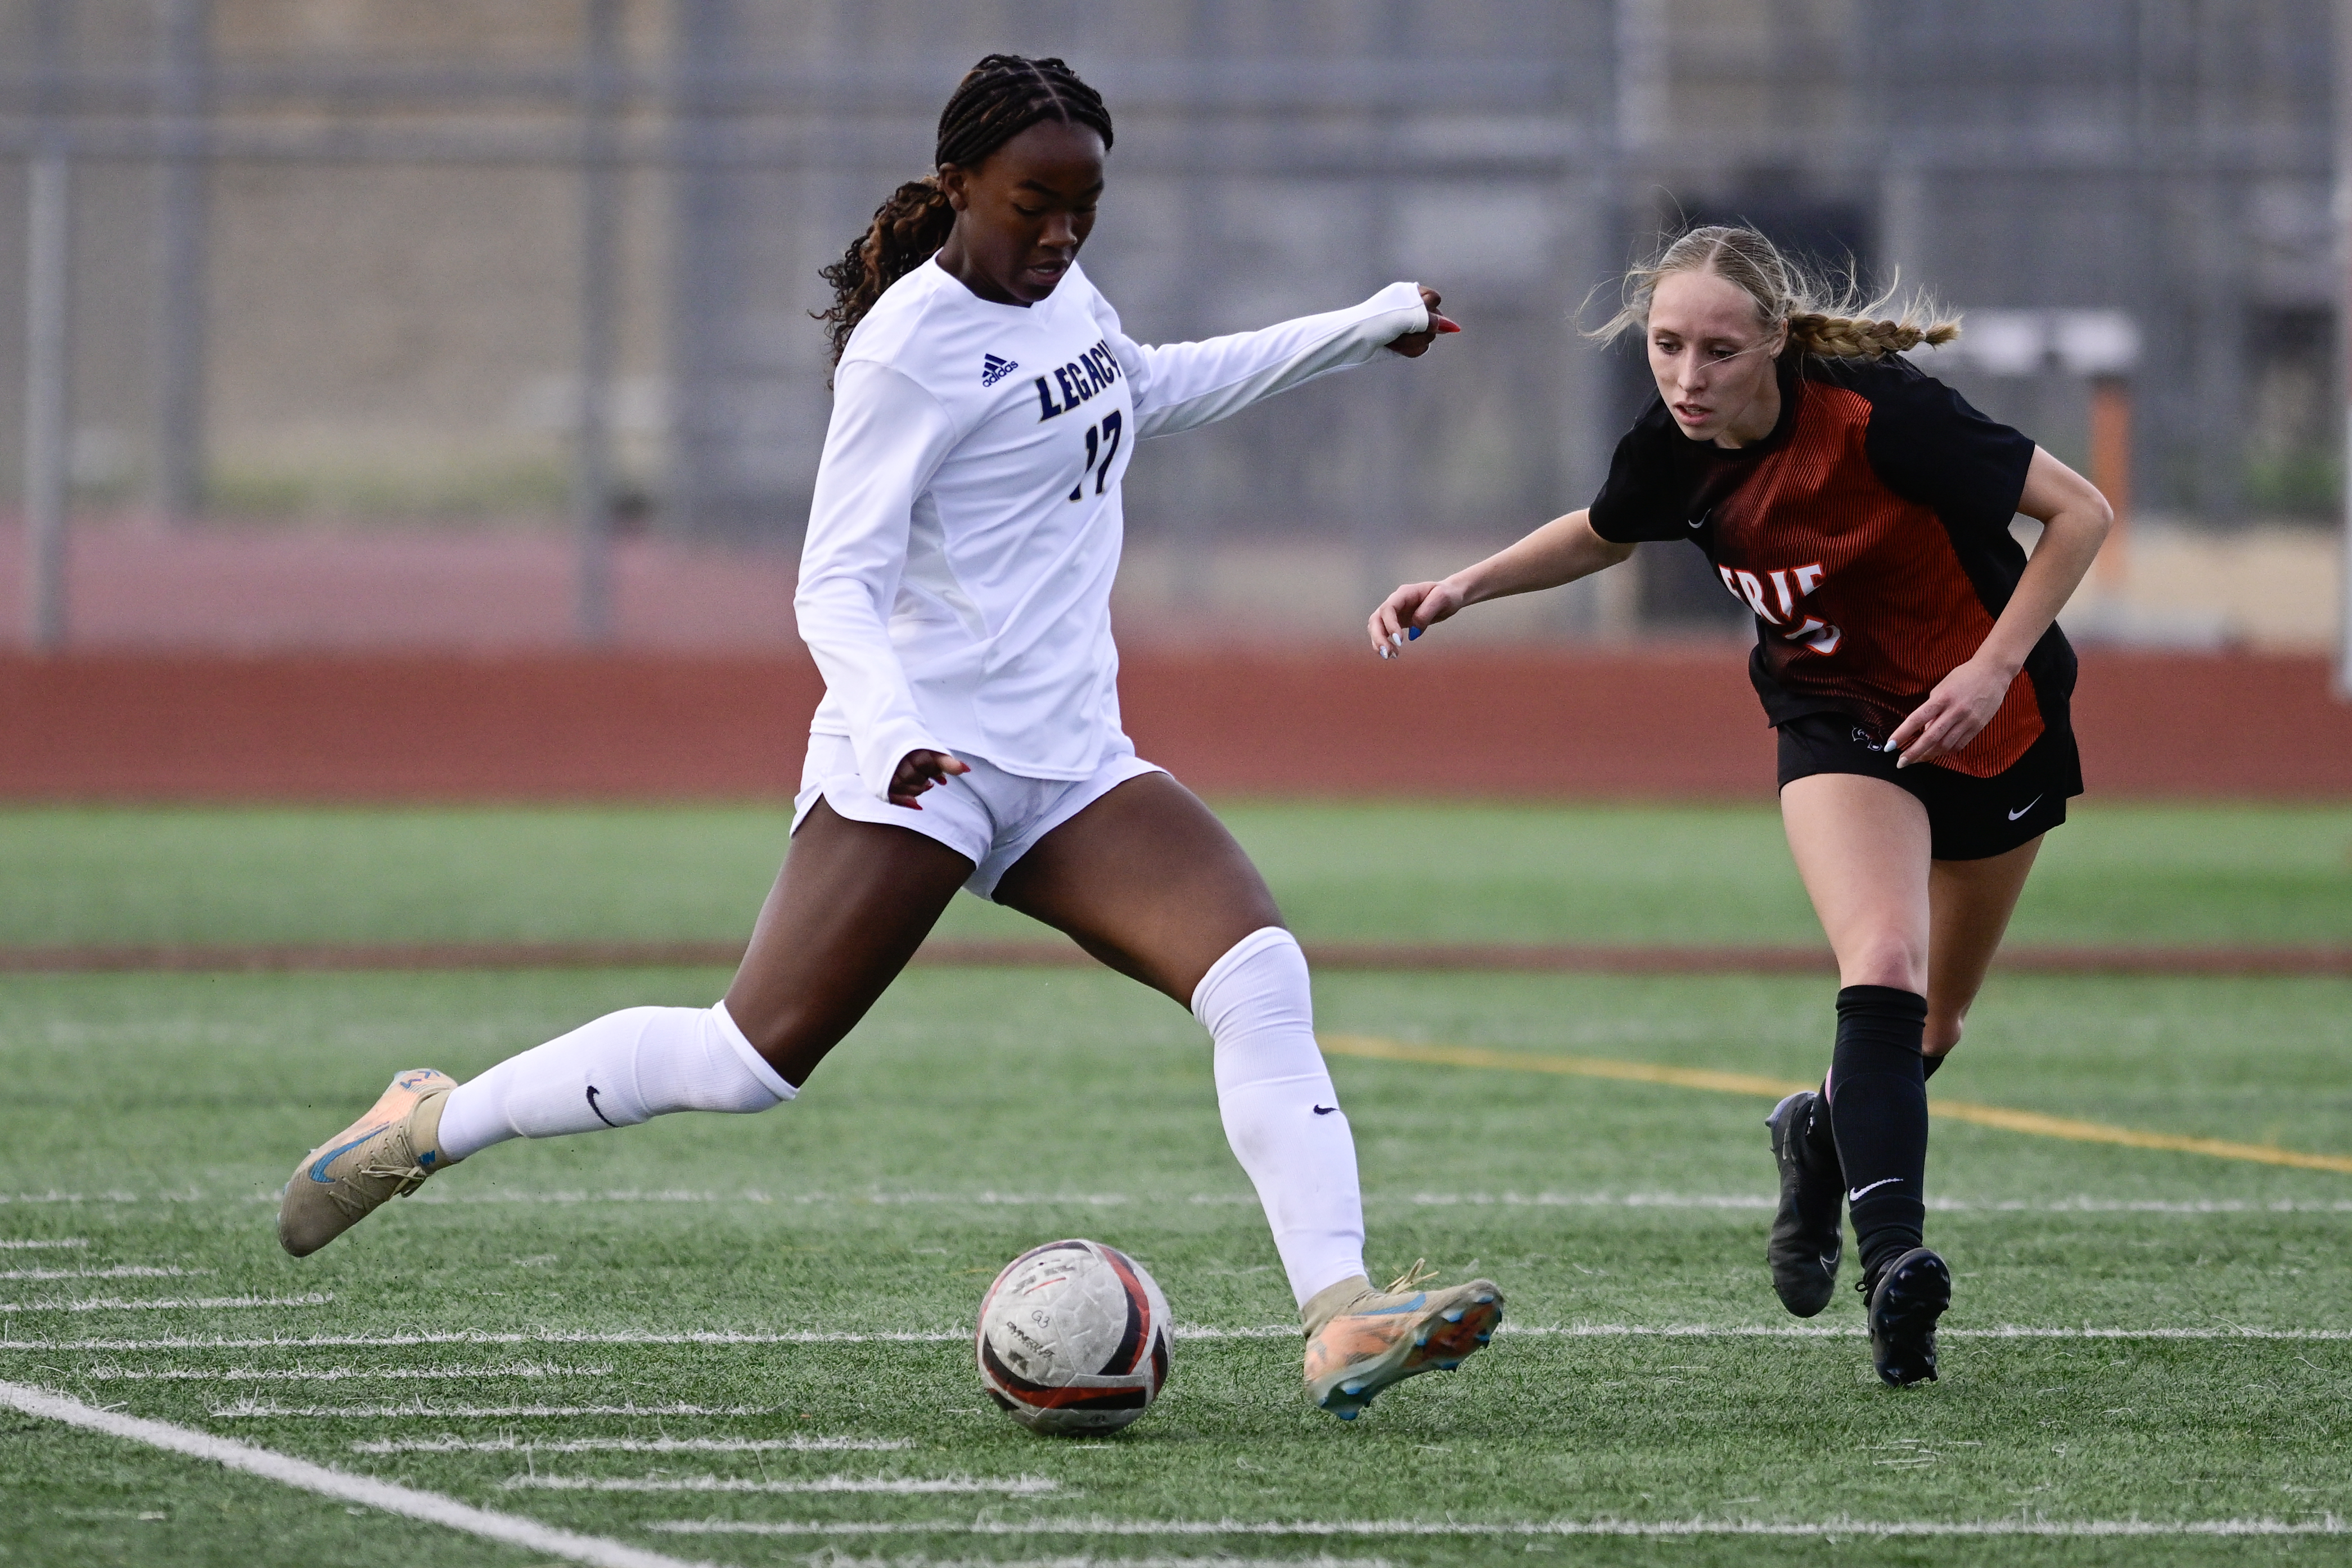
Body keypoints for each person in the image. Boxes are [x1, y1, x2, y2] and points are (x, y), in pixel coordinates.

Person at [279, 53, 1499, 1422]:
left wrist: (1368, 322)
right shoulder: (907, 351)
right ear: (958, 184)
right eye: (1036, 202)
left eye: (1084, 206)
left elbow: (1147, 385)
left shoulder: (1064, 296)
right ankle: (427, 1123)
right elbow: (833, 584)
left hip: (1072, 759)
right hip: (921, 757)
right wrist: (897, 726)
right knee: (748, 1060)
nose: (1061, 233)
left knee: (1259, 971)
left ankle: (1340, 1316)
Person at [1366, 226, 2111, 1388]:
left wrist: (1991, 668)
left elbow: (2080, 514)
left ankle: (1817, 1132)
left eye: (1717, 350)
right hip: (1833, 721)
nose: (1688, 377)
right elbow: (1602, 534)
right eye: (1667, 347)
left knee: (1935, 1028)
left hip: (1990, 718)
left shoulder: (1882, 414)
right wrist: (1466, 582)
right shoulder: (1675, 449)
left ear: (1775, 341)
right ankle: (1897, 1265)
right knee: (1884, 958)